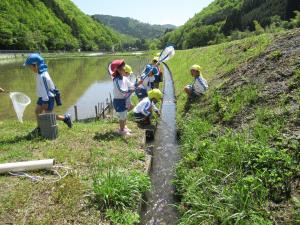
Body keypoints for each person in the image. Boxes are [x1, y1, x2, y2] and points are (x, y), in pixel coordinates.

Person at [23, 53, 72, 130]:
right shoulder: (39, 73)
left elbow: (46, 89)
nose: (30, 69)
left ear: (35, 65)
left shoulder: (43, 76)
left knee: (48, 115)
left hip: (48, 98)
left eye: (30, 67)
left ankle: (66, 118)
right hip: (42, 97)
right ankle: (39, 127)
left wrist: (45, 102)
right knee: (37, 111)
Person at [111, 60, 134, 136]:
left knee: (125, 115)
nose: (124, 68)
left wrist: (137, 84)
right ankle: (121, 130)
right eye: (122, 67)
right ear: (117, 69)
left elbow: (131, 85)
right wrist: (130, 90)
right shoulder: (116, 80)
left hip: (124, 100)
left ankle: (124, 127)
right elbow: (122, 90)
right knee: (122, 116)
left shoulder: (124, 78)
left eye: (124, 67)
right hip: (118, 101)